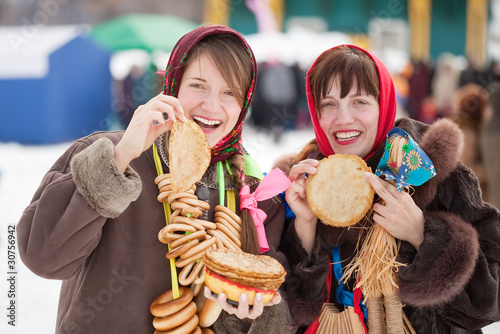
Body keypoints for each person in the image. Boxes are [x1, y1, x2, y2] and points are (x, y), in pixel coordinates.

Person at [17, 25, 290, 334]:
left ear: (245, 103)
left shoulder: (252, 188)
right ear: (172, 86)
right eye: (198, 85)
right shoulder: (105, 154)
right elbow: (43, 257)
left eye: (230, 92)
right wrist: (119, 159)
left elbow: (275, 298)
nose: (212, 106)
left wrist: (253, 315)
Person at [274, 45, 500, 333]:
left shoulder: (433, 174)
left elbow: (491, 300)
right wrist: (305, 229)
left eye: (359, 102)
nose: (343, 119)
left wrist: (423, 234)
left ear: (385, 105)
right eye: (329, 104)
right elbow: (288, 315)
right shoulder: (303, 185)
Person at [449, 83, 492, 203]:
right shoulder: (468, 134)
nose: (488, 112)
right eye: (486, 107)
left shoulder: (461, 127)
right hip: (472, 199)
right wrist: (491, 168)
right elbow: (466, 171)